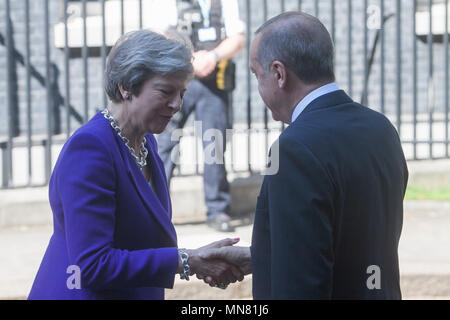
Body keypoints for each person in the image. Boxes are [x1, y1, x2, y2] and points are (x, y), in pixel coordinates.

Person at [201, 12, 408, 300]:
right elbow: (348, 241)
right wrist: (262, 256)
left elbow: (302, 285)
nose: (259, 86)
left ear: (278, 73)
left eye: (256, 74)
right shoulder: (381, 129)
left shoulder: (294, 148)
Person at [27, 30, 244, 300]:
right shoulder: (91, 149)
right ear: (126, 87)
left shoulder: (145, 141)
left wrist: (202, 257)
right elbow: (93, 266)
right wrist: (187, 261)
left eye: (182, 92)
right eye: (166, 91)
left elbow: (145, 238)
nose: (177, 105)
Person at [156, 0, 246, 232]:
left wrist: (213, 56)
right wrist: (190, 57)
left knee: (214, 145)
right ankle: (154, 210)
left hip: (214, 84)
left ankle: (217, 210)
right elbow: (157, 34)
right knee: (164, 144)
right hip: (175, 79)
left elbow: (238, 39)